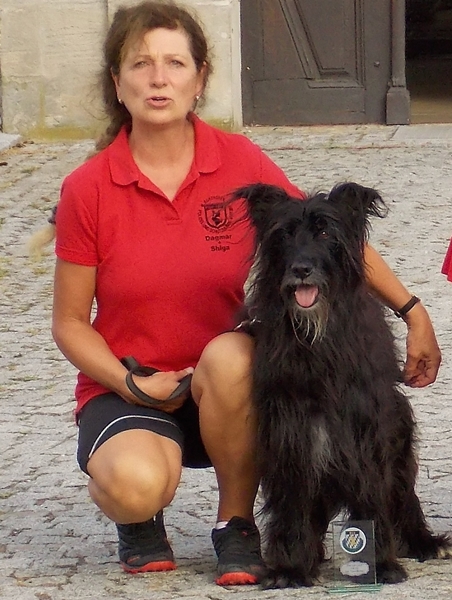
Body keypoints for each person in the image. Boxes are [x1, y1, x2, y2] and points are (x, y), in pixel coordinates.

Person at [50, 0, 442, 587]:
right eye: (141, 64)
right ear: (117, 80)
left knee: (236, 357)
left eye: (175, 63)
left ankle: (236, 524)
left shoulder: (237, 161)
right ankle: (140, 520)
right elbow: (69, 323)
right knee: (133, 485)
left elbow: (328, 234)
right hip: (134, 385)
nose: (158, 79)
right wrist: (131, 382)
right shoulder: (89, 188)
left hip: (229, 390)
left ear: (200, 78)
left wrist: (411, 311)